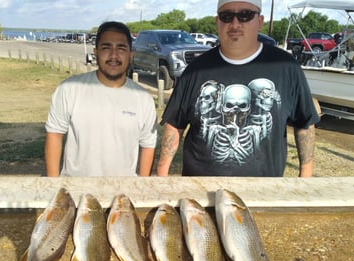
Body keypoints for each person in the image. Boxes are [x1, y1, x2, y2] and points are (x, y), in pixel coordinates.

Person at [157, 0, 318, 177]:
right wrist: (162, 174)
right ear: (217, 22)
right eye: (226, 16)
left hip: (263, 190)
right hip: (199, 188)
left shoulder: (286, 67)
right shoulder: (196, 70)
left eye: (245, 15)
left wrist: (306, 177)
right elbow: (175, 124)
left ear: (260, 21)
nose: (235, 24)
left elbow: (305, 122)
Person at [45, 21, 157, 176]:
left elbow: (148, 146)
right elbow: (54, 135)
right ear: (95, 52)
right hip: (76, 189)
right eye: (106, 47)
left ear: (131, 55)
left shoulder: (144, 99)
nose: (113, 55)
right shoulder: (69, 89)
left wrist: (141, 190)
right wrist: (53, 185)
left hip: (123, 192)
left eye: (121, 48)